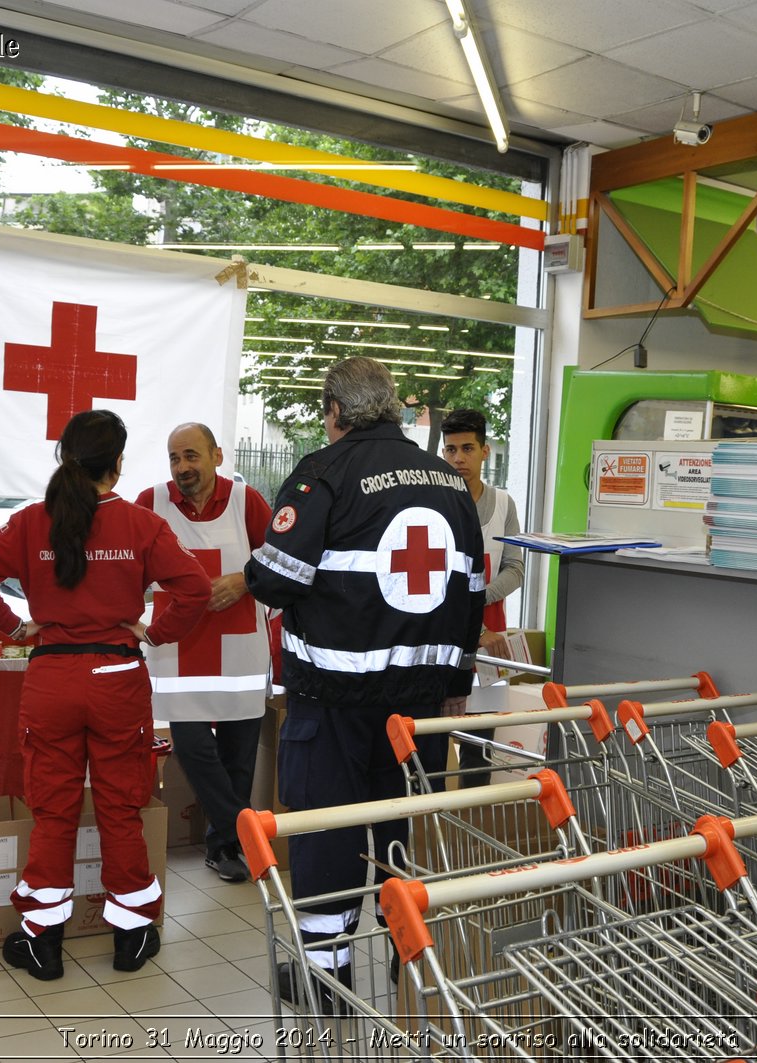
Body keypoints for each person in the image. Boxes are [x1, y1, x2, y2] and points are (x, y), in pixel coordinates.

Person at [244, 356, 485, 1008]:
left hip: (335, 702)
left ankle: (326, 979)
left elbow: (275, 576)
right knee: (402, 832)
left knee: (331, 833)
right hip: (419, 710)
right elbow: (474, 591)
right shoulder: (452, 483)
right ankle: (409, 968)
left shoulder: (323, 472)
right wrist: (456, 678)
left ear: (334, 411)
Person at [0, 409, 210, 982]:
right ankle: (132, 935)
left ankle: (42, 941)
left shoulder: (28, 523)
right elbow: (193, 588)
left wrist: (16, 626)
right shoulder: (142, 526)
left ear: (65, 458)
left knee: (54, 811)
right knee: (122, 807)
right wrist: (157, 631)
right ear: (117, 465)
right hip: (116, 678)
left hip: (51, 679)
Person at [135, 422, 274, 884]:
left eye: (191, 456)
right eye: (175, 458)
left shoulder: (245, 500)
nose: (182, 468)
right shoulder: (151, 503)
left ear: (216, 456)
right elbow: (130, 566)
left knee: (238, 757)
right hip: (179, 652)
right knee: (193, 749)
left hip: (239, 651)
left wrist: (243, 579)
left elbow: (278, 558)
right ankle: (246, 831)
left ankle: (224, 847)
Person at [439, 407, 526, 786]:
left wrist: (479, 599)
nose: (459, 458)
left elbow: (516, 568)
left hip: (493, 648)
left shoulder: (504, 504)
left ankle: (466, 836)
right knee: (434, 743)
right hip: (444, 644)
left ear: (485, 451)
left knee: (479, 748)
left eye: (468, 448)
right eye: (451, 450)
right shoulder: (434, 504)